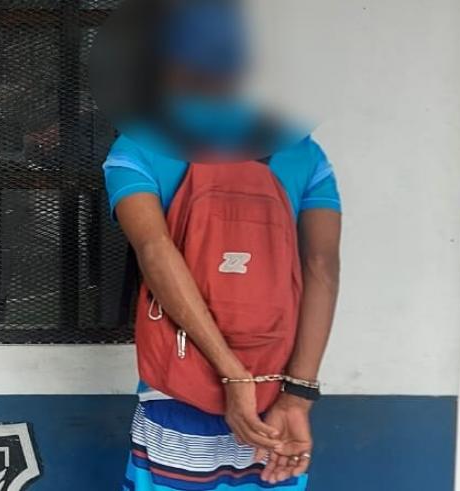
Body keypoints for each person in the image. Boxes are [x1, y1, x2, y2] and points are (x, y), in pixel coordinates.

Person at [102, 2, 342, 490]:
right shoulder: (302, 151)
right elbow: (322, 267)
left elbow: (156, 251)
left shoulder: (138, 146)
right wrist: (297, 396)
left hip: (177, 390)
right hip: (277, 394)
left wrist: (232, 377)